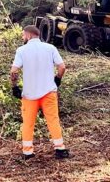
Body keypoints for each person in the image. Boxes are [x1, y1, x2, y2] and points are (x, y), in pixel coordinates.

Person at [10, 25, 69, 160]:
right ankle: (60, 149)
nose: (23, 37)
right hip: (49, 92)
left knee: (28, 123)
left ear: (29, 35)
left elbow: (14, 71)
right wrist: (57, 79)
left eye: (23, 35)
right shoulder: (50, 48)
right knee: (53, 120)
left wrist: (14, 87)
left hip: (29, 94)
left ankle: (27, 152)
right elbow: (62, 67)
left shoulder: (21, 50)